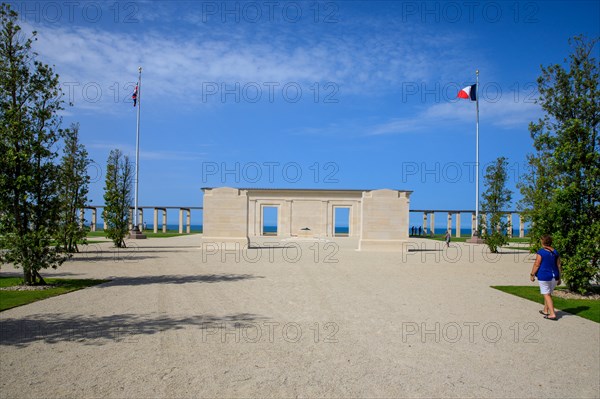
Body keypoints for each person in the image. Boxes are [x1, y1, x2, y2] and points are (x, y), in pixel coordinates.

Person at [530, 235, 562, 320]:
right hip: (554, 276)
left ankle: (552, 314)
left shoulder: (541, 252)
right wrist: (560, 277)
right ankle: (545, 310)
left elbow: (537, 264)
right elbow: (559, 265)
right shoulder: (556, 252)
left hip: (544, 275)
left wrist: (532, 274)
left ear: (543, 242)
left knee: (547, 294)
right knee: (548, 293)